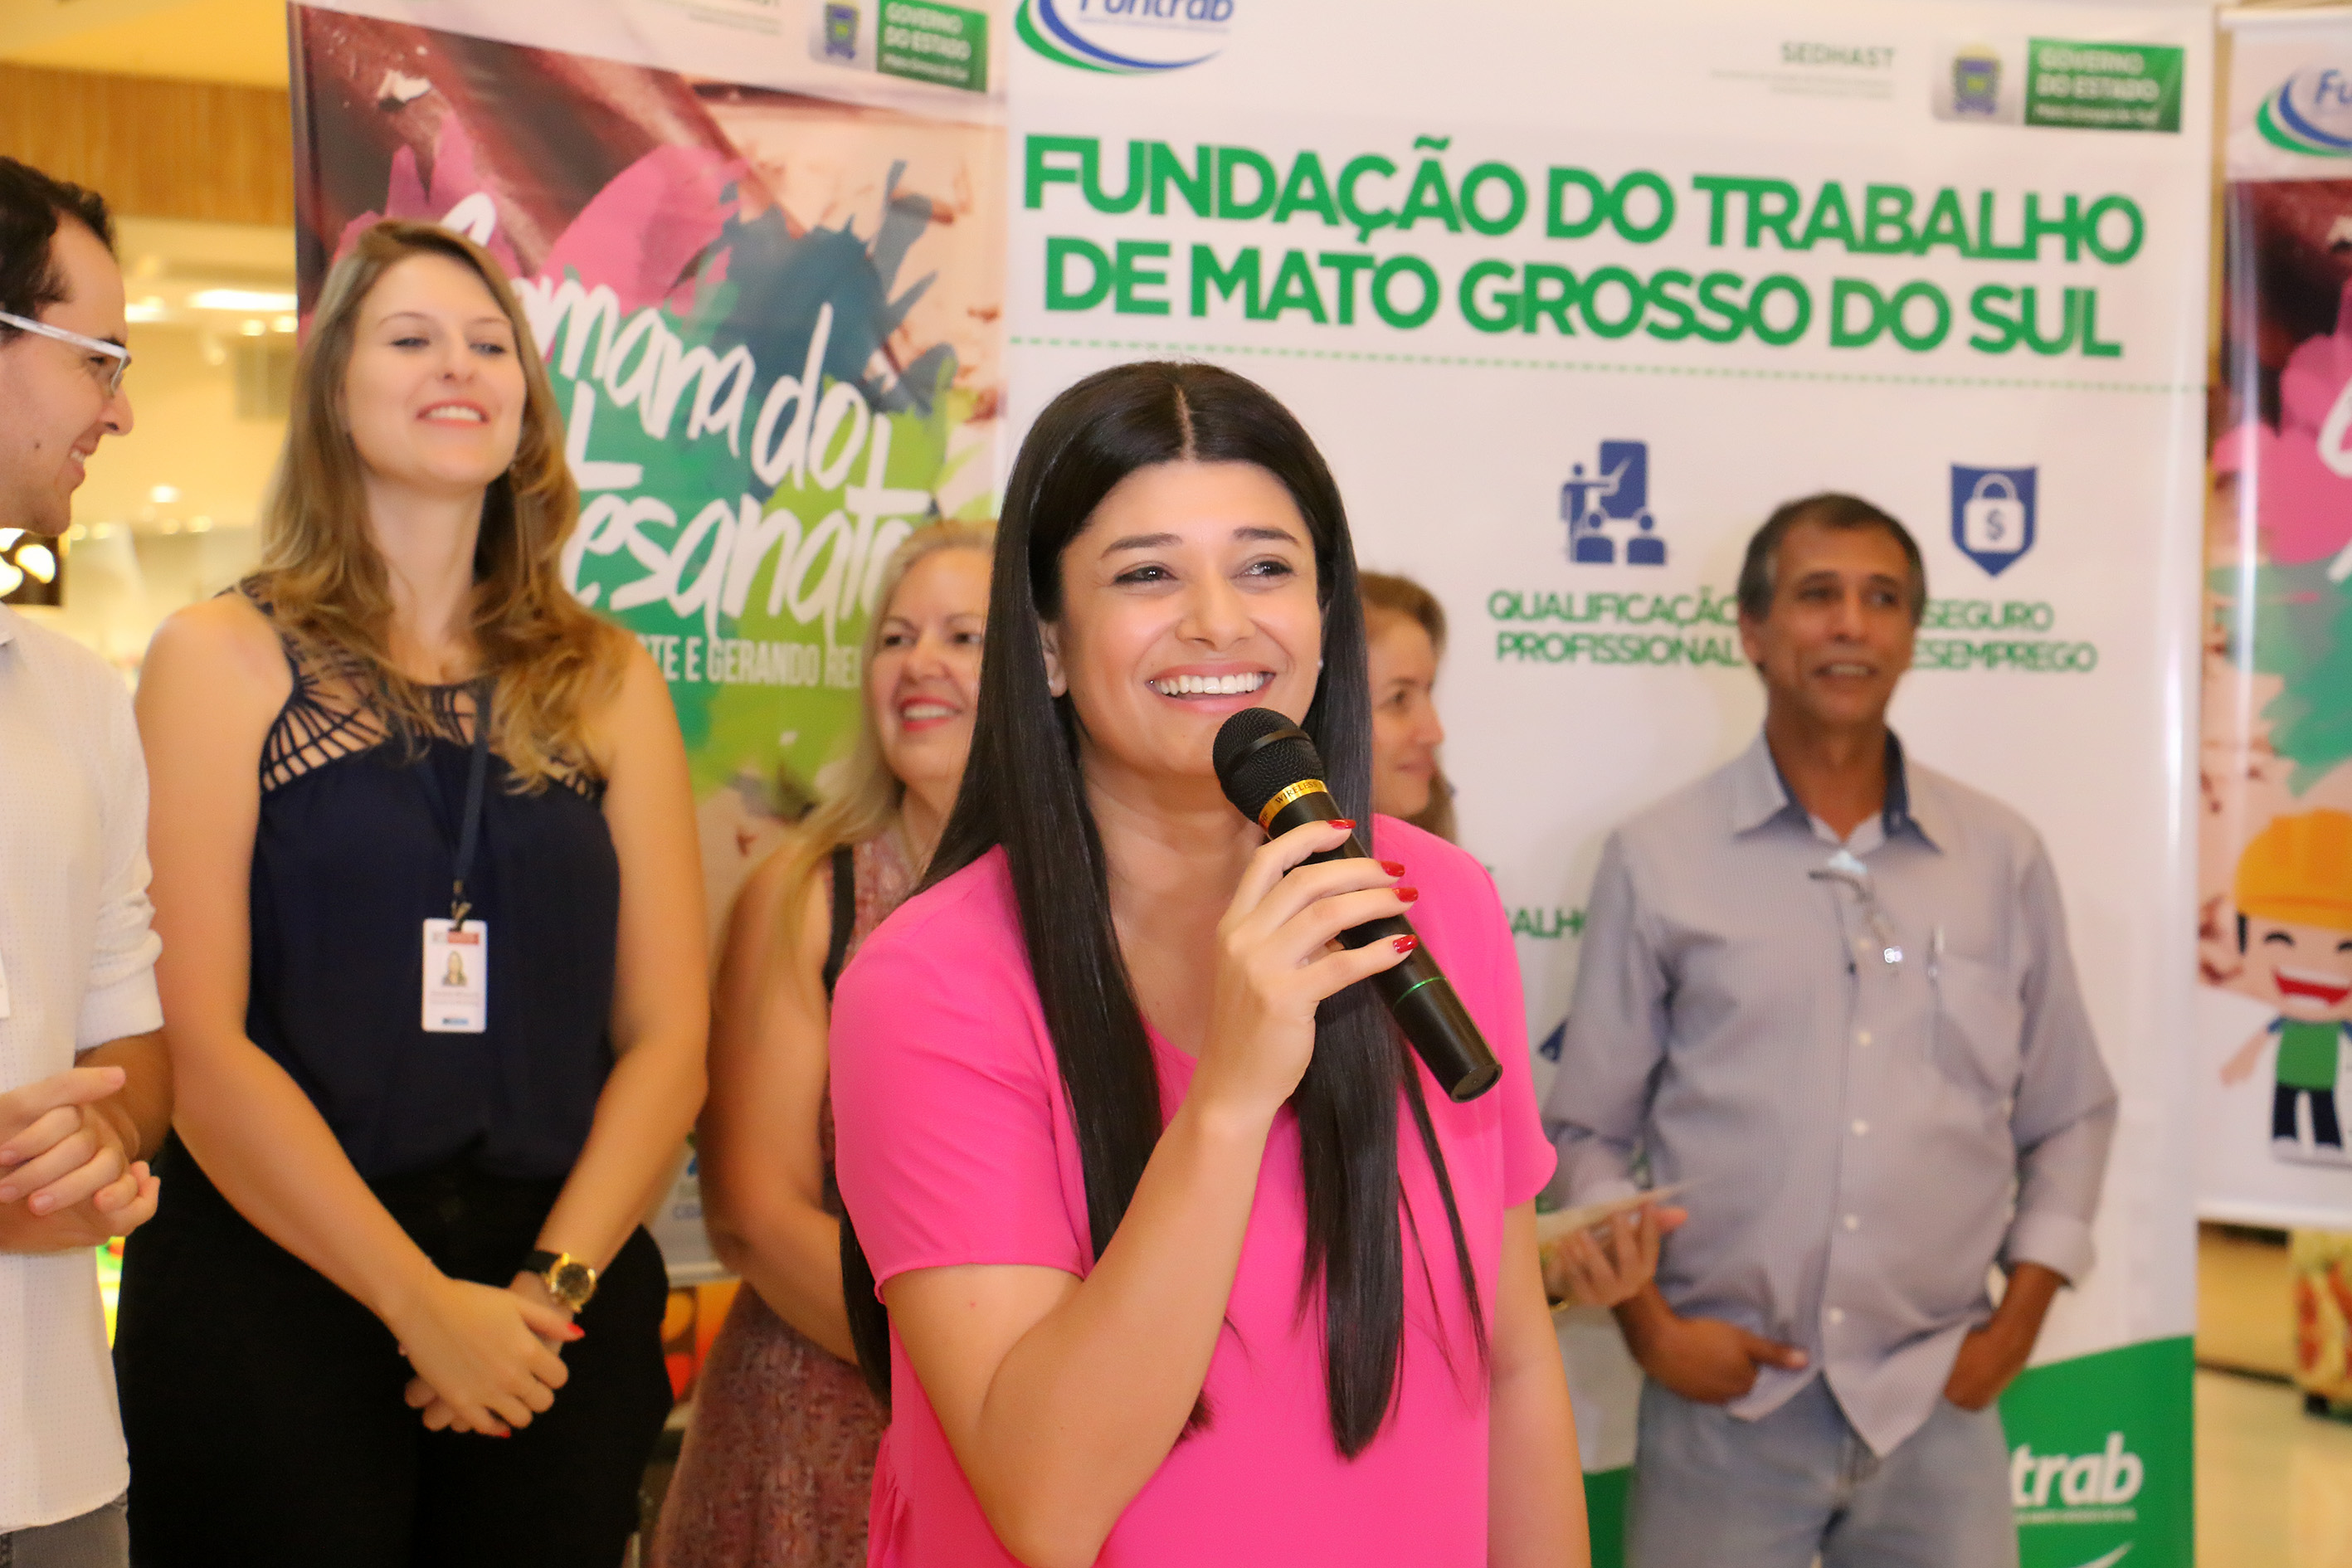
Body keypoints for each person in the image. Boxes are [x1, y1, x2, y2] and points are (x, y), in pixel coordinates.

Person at [830, 361, 1585, 1567]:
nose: (1220, 622)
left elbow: (1511, 1363)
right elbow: (1046, 1501)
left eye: (1265, 567)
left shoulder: (1434, 901)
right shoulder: (931, 982)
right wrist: (1229, 1100)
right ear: (1048, 643)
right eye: (1147, 574)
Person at [115, 219, 707, 1566]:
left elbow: (670, 1039)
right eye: (412, 338)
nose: (459, 365)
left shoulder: (609, 677)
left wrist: (545, 1294)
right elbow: (197, 1041)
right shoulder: (217, 656)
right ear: (333, 388)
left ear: (527, 404)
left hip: (550, 1301)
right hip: (276, 1284)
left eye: (490, 344)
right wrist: (418, 1305)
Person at [1545, 493, 2118, 1568]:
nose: (1851, 623)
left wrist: (2016, 1327)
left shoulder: (1999, 856)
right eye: (1817, 595)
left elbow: (2072, 1110)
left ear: (1912, 634)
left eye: (1882, 598)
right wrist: (1653, 1332)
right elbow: (1584, 1132)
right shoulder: (1658, 856)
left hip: (1938, 1401)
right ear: (1752, 631)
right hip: (1722, 1406)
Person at [654, 520, 991, 1568]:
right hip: (819, 1433)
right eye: (896, 638)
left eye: (965, 636)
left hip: (1048, 1441)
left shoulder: (1115, 903)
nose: (920, 662)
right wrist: (985, 1385)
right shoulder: (809, 890)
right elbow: (752, 1215)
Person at [0, 156, 168, 1568]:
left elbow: (132, 1036)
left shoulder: (76, 699)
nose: (119, 411)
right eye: (96, 358)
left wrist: (101, 1151)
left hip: (56, 1458)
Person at [1357, 572, 1457, 841]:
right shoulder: (1261, 866)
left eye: (1429, 691)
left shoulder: (1441, 858)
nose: (1434, 734)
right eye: (1398, 699)